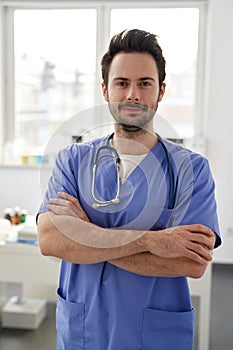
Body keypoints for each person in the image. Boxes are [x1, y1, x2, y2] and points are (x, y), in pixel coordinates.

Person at [37, 29, 221, 350]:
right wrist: (155, 241)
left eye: (144, 83)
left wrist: (85, 235)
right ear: (106, 89)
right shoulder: (72, 161)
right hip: (84, 332)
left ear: (161, 91)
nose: (132, 94)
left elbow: (192, 264)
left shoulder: (192, 170)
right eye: (122, 83)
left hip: (152, 336)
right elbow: (51, 240)